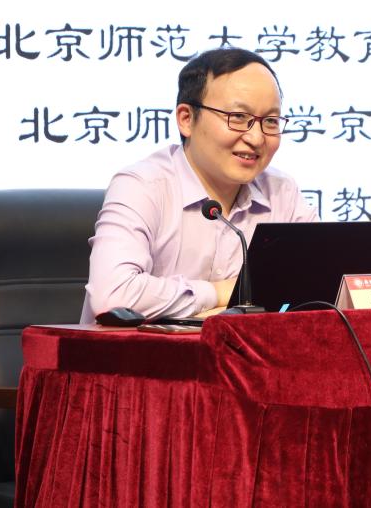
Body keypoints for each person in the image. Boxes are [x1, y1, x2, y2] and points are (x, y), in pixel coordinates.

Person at [80, 47, 316, 323]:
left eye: (271, 121)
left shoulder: (281, 192)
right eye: (238, 117)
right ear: (186, 119)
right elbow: (113, 295)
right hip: (137, 352)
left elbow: (325, 285)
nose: (256, 138)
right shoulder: (142, 186)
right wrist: (220, 292)